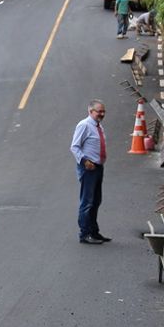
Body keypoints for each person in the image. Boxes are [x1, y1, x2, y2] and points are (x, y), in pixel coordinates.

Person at [70, 99, 112, 244]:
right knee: (87, 202)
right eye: (99, 111)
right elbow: (74, 146)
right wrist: (85, 161)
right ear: (90, 111)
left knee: (96, 201)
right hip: (88, 168)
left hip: (98, 167)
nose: (102, 114)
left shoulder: (98, 126)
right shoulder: (84, 125)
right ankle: (85, 233)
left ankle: (94, 231)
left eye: (103, 111)